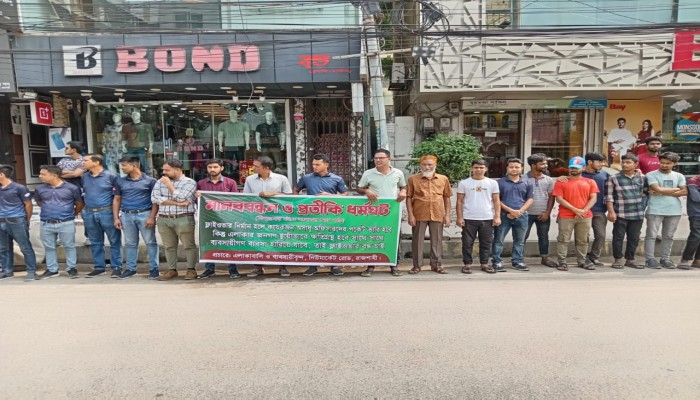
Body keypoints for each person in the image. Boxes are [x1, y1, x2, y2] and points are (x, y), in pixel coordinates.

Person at [294, 153, 348, 276]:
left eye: (318, 164)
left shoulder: (337, 179)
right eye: (313, 164)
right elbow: (296, 190)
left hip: (331, 216)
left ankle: (334, 265)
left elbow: (345, 195)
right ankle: (313, 266)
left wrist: (330, 196)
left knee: (331, 239)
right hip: (312, 215)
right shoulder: (306, 178)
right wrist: (298, 204)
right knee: (312, 240)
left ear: (326, 165)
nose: (315, 167)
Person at [356, 149, 407, 277]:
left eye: (381, 158)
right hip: (374, 212)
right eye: (376, 158)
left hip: (393, 212)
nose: (378, 160)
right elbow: (359, 188)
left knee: (394, 238)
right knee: (373, 237)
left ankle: (394, 266)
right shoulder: (368, 173)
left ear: (389, 159)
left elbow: (403, 186)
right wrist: (367, 191)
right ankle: (370, 266)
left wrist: (403, 192)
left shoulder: (398, 173)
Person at [243, 156, 294, 277]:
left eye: (256, 166)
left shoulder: (281, 179)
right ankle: (258, 267)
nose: (253, 168)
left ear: (266, 168)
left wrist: (273, 194)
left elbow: (290, 196)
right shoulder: (250, 179)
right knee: (258, 241)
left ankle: (282, 267)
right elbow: (246, 197)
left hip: (277, 216)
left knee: (279, 240)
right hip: (257, 216)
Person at [151, 159, 198, 280]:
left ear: (177, 170)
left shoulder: (189, 182)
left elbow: (183, 197)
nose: (164, 172)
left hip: (183, 218)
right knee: (169, 246)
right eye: (163, 169)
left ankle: (191, 269)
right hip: (164, 218)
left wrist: (169, 185)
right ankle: (171, 269)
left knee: (189, 245)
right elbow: (155, 199)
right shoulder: (159, 182)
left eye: (167, 170)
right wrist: (177, 203)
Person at [113, 157, 159, 280]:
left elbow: (155, 201)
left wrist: (152, 217)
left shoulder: (151, 181)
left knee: (151, 243)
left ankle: (154, 269)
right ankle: (130, 269)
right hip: (127, 215)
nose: (121, 168)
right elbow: (117, 199)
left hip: (145, 214)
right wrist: (116, 218)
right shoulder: (120, 181)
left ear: (134, 166)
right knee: (130, 244)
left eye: (124, 165)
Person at [34, 165, 84, 279]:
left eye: (43, 174)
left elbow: (79, 203)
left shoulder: (72, 188)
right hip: (46, 222)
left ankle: (72, 268)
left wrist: (72, 213)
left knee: (69, 246)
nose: (40, 176)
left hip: (66, 222)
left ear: (54, 175)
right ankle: (52, 269)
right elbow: (39, 202)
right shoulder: (39, 188)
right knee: (49, 247)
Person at [406, 155, 452, 274]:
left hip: (437, 213)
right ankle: (417, 266)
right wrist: (410, 215)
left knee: (437, 240)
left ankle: (436, 265)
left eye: (430, 164)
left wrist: (447, 215)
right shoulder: (413, 179)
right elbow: (408, 197)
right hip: (419, 213)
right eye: (424, 164)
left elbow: (446, 197)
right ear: (420, 165)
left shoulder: (443, 179)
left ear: (435, 165)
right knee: (417, 241)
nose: (427, 167)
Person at [196, 158, 240, 279]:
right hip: (208, 219)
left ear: (222, 168)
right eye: (210, 167)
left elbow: (235, 201)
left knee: (230, 243)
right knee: (208, 243)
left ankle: (233, 269)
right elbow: (197, 202)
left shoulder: (230, 183)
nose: (212, 170)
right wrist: (198, 196)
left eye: (215, 167)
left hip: (226, 218)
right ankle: (209, 269)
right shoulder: (201, 183)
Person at [552, 156, 598, 271]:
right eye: (571, 167)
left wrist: (584, 210)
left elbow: (593, 198)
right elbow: (559, 199)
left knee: (583, 240)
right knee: (563, 239)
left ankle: (582, 261)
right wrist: (575, 210)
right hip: (566, 216)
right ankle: (562, 262)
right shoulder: (561, 181)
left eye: (576, 168)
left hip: (585, 216)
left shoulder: (590, 182)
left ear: (583, 168)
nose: (573, 170)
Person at [81, 154, 123, 278]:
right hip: (89, 212)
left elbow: (117, 196)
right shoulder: (84, 177)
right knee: (95, 242)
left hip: (107, 211)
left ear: (96, 162)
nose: (83, 162)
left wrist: (116, 215)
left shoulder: (112, 177)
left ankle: (116, 267)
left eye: (86, 160)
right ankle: (99, 267)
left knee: (114, 240)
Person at [456, 159, 500, 274]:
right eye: (476, 167)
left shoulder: (492, 183)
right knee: (467, 242)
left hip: (487, 217)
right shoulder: (464, 183)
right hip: (469, 217)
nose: (478, 170)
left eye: (481, 167)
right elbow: (459, 201)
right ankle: (467, 264)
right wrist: (459, 217)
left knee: (486, 242)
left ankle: (484, 263)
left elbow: (496, 201)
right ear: (471, 168)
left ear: (486, 169)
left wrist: (497, 216)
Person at [644, 152, 687, 269]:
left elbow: (685, 191)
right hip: (655, 209)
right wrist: (675, 189)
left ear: (674, 163)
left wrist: (662, 191)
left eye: (668, 163)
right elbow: (657, 189)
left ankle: (665, 259)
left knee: (669, 236)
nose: (664, 165)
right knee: (651, 235)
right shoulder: (651, 174)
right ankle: (650, 259)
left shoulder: (679, 176)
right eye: (662, 162)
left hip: (674, 211)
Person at [605, 154, 647, 269]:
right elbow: (609, 197)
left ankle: (630, 259)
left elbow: (646, 193)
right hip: (620, 213)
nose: (624, 164)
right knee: (618, 237)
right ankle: (618, 259)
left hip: (638, 213)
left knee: (634, 238)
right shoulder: (614, 178)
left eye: (628, 162)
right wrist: (611, 212)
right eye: (623, 162)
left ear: (636, 164)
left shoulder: (642, 178)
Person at [491, 158, 533, 272]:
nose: (514, 169)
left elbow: (530, 199)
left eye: (517, 167)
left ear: (522, 168)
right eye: (511, 167)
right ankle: (497, 261)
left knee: (520, 240)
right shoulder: (499, 182)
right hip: (504, 215)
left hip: (522, 216)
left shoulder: (527, 182)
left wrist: (519, 212)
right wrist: (511, 211)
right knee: (499, 240)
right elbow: (496, 200)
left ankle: (517, 261)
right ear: (507, 168)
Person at [0, 165, 38, 281]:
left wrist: (26, 220)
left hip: (17, 220)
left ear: (2, 174)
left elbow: (28, 204)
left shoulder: (19, 188)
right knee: (3, 248)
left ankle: (32, 271)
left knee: (25, 247)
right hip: (1, 221)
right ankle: (7, 271)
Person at [523, 153, 558, 268]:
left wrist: (547, 212)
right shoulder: (523, 179)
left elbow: (551, 197)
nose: (545, 165)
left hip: (543, 213)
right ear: (533, 165)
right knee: (522, 237)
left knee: (543, 237)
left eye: (545, 163)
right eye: (542, 163)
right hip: (526, 214)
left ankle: (544, 258)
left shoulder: (548, 180)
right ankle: (519, 258)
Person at [580, 153, 610, 267]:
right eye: (599, 162)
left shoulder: (605, 174)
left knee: (601, 235)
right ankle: (582, 258)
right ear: (589, 162)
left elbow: (610, 192)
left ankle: (594, 257)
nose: (602, 164)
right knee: (583, 236)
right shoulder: (579, 174)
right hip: (582, 210)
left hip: (599, 210)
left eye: (603, 162)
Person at [679, 175, 700, 269]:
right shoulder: (693, 180)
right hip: (696, 213)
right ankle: (685, 259)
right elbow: (696, 197)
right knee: (695, 236)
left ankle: (697, 260)